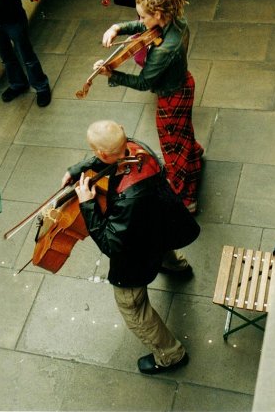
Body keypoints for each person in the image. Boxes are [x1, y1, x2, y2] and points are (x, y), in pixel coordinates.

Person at [61, 120, 200, 375]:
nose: (95, 155)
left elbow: (111, 243)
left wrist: (88, 204)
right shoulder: (137, 148)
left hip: (138, 254)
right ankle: (177, 265)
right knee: (162, 244)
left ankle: (171, 354)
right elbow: (110, 159)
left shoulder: (129, 198)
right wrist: (78, 169)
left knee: (133, 307)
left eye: (94, 152)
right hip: (160, 226)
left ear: (102, 153)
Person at [95, 0, 204, 213]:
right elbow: (144, 26)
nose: (141, 20)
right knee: (182, 134)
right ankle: (194, 154)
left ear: (157, 14)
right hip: (183, 84)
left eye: (144, 16)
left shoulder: (165, 50)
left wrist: (112, 74)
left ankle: (187, 196)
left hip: (171, 96)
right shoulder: (175, 21)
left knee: (172, 144)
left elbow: (145, 82)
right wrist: (117, 27)